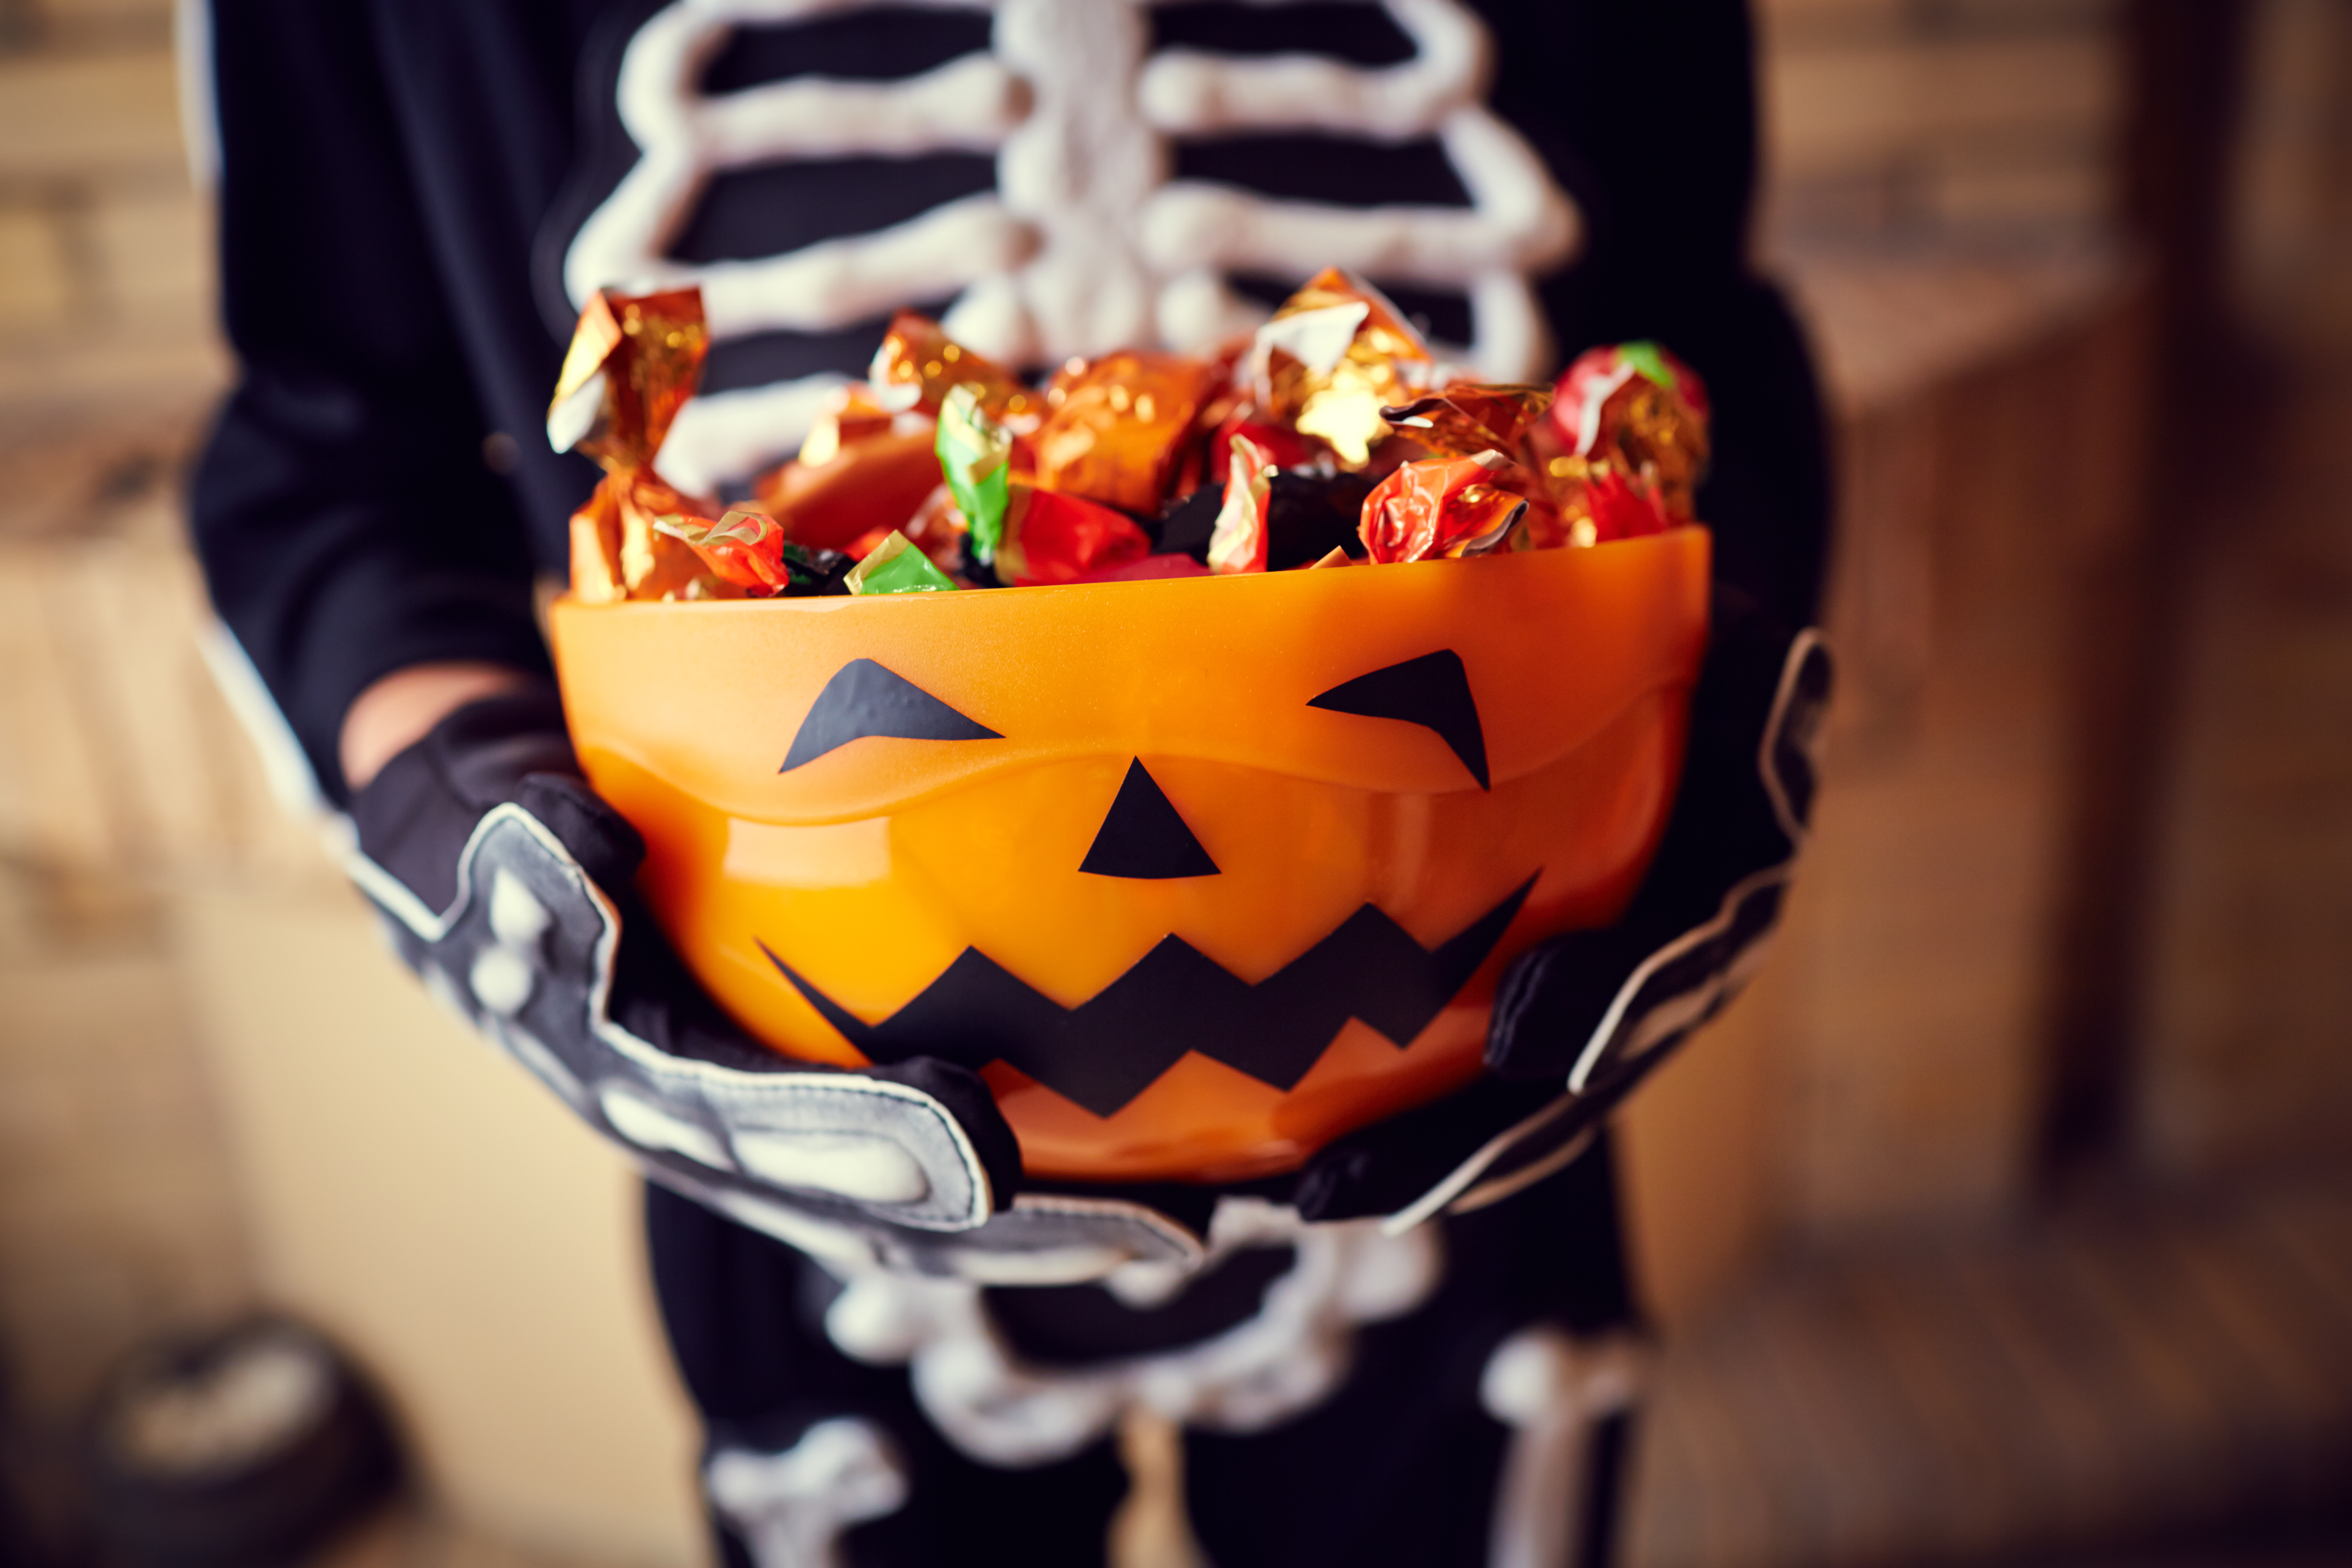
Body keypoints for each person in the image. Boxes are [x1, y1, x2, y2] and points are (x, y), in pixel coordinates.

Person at [187, 2, 1830, 1563]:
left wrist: (1704, 742)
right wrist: (475, 830)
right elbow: (333, 462)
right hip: (796, 1124)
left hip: (1484, 1048)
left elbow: (1701, 336)